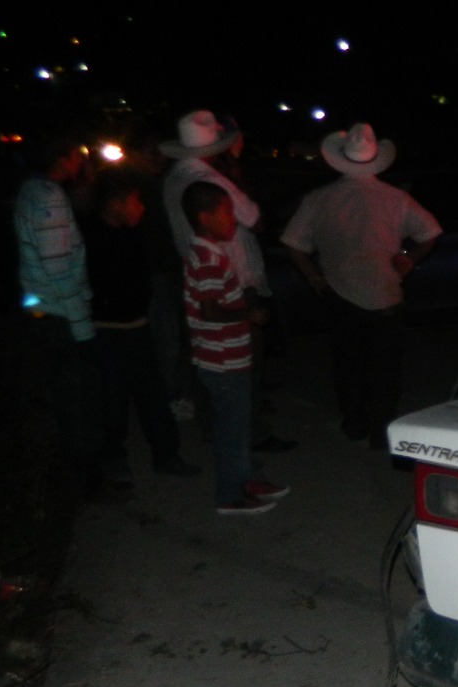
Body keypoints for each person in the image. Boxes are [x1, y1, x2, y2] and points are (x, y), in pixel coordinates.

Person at [281, 123, 440, 450]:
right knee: (384, 366)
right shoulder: (396, 198)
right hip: (385, 293)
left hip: (339, 293)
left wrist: (313, 277)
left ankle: (354, 422)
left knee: (348, 363)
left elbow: (294, 243)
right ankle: (381, 428)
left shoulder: (320, 198)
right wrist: (409, 258)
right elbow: (431, 231)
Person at [160, 110, 295, 453]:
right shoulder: (212, 182)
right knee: (242, 363)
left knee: (206, 360)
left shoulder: (174, 177)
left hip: (196, 271)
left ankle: (215, 427)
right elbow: (254, 218)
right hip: (230, 278)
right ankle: (249, 436)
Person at [81, 175, 200, 483]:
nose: (141, 208)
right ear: (115, 204)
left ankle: (166, 456)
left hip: (138, 327)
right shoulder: (91, 236)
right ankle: (113, 460)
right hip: (106, 331)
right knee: (112, 402)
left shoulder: (133, 234)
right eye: (134, 201)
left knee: (154, 397)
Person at [180, 181, 289, 516]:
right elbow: (210, 309)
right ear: (204, 216)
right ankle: (230, 494)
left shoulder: (210, 251)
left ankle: (246, 478)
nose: (232, 218)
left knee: (238, 427)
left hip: (228, 357)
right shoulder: (208, 256)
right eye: (226, 212)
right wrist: (249, 313)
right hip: (222, 361)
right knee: (231, 430)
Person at [14, 133, 111, 497]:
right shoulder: (51, 198)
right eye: (78, 154)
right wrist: (82, 325)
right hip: (62, 316)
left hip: (44, 310)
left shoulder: (31, 190)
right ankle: (88, 481)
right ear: (64, 155)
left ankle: (79, 475)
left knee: (68, 397)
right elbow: (58, 265)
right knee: (80, 401)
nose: (81, 161)